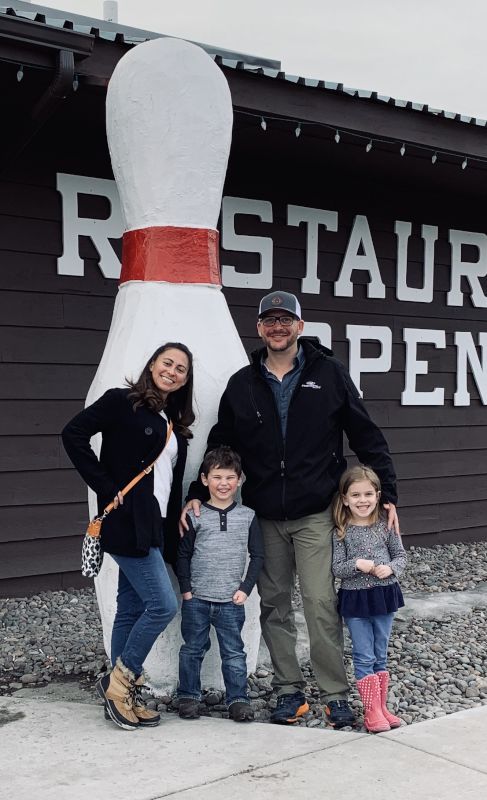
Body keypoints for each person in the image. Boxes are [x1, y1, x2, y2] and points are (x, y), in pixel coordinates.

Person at [181, 290, 399, 729]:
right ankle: (288, 691)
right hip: (264, 515)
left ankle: (335, 695)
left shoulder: (329, 374)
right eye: (270, 321)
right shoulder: (243, 383)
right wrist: (196, 490)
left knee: (320, 603)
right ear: (260, 328)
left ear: (299, 326)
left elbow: (365, 434)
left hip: (316, 512)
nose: (277, 327)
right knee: (275, 605)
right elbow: (222, 442)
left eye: (285, 320)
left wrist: (388, 493)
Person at [62, 342, 195, 730]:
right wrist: (105, 486)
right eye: (167, 363)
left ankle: (121, 694)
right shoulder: (122, 401)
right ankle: (119, 683)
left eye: (181, 369)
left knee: (131, 608)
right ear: (152, 364)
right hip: (125, 522)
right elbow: (73, 434)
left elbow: (168, 482)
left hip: (153, 525)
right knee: (163, 605)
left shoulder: (172, 422)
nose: (172, 371)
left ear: (186, 380)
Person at [176, 446, 264, 722]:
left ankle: (238, 699)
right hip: (197, 599)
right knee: (192, 650)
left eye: (229, 477)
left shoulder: (247, 516)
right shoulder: (195, 515)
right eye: (217, 477)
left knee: (234, 653)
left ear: (239, 480)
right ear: (205, 480)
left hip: (231, 601)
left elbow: (258, 555)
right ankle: (189, 696)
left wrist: (245, 589)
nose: (223, 483)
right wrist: (186, 590)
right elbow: (183, 554)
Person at [332, 465, 407, 732]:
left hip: (384, 595)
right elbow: (337, 568)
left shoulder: (385, 525)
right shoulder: (341, 531)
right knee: (364, 654)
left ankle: (382, 707)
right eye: (355, 495)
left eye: (367, 494)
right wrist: (357, 564)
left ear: (377, 496)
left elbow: (401, 556)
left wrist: (391, 568)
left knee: (380, 653)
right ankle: (371, 711)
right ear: (345, 499)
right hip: (355, 599)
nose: (362, 500)